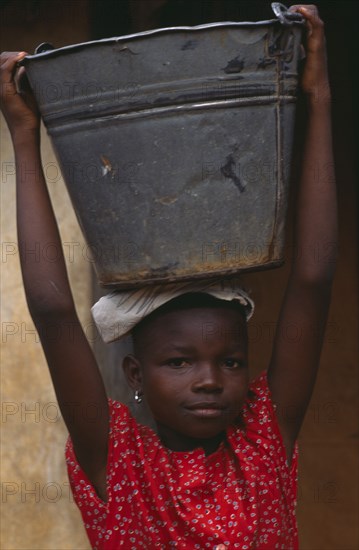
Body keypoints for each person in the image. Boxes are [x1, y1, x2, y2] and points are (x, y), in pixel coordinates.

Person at [0, 4, 337, 549]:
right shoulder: (117, 461)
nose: (209, 380)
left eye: (231, 361)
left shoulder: (264, 444)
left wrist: (316, 98)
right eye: (178, 361)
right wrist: (23, 135)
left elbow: (314, 278)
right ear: (134, 374)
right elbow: (53, 312)